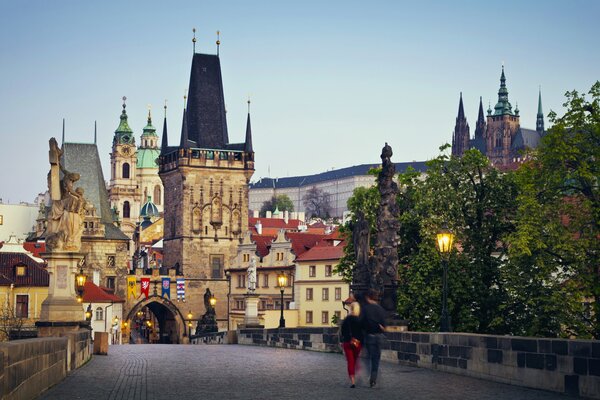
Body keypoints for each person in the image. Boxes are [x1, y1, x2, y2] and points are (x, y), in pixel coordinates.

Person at [361, 289, 386, 388]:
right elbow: (383, 325)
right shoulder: (380, 309)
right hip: (379, 336)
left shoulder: (365, 309)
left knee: (368, 358)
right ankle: (374, 379)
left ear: (368, 297)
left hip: (369, 336)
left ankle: (371, 375)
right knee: (376, 359)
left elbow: (362, 323)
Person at [340, 301, 363, 388]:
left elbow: (342, 332)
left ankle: (353, 381)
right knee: (355, 360)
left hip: (347, 342)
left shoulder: (346, 319)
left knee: (350, 362)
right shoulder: (359, 320)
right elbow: (362, 333)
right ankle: (358, 373)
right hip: (357, 343)